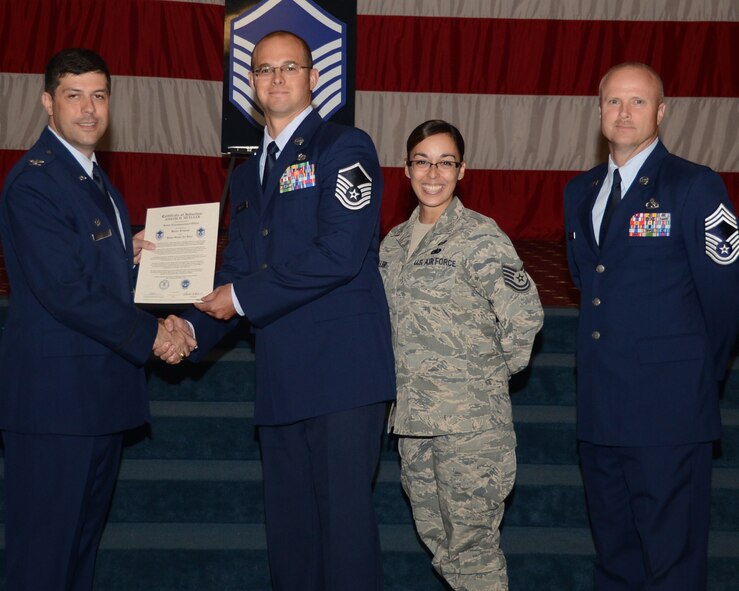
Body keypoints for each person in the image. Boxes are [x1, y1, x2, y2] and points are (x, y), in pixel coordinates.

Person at [167, 31, 395, 590]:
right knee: (290, 537)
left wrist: (239, 298)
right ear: (250, 85)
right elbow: (236, 268)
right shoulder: (246, 174)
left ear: (314, 79)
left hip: (343, 377)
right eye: (264, 69)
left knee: (343, 535)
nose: (275, 78)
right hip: (280, 378)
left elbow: (339, 255)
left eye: (289, 67)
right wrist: (190, 330)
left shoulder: (345, 147)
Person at [0, 47, 196, 590]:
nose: (89, 109)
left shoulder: (92, 178)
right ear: (47, 102)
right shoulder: (36, 181)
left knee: (78, 555)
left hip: (95, 400)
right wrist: (157, 334)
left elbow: (86, 267)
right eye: (74, 95)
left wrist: (127, 255)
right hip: (54, 406)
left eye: (99, 95)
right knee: (42, 560)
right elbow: (66, 292)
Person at [564, 62, 739, 590]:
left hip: (669, 410)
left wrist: (689, 383)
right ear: (599, 111)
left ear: (661, 112)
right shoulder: (580, 190)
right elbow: (589, 284)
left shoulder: (696, 186)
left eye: (639, 102)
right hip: (600, 408)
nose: (624, 112)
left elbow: (724, 302)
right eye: (614, 101)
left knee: (671, 563)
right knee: (615, 557)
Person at [379, 120, 544, 590]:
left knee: (473, 551)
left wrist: (482, 380)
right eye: (422, 161)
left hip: (470, 427)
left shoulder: (479, 236)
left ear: (462, 170)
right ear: (406, 169)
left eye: (445, 162)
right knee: (441, 545)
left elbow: (525, 316)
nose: (433, 173)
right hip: (413, 423)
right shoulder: (391, 244)